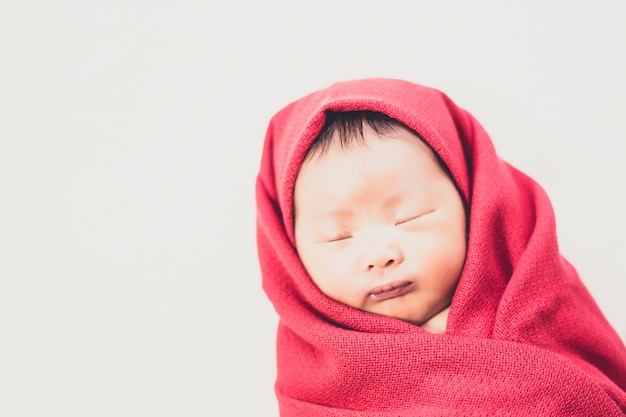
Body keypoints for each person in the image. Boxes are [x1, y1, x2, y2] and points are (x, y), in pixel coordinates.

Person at [256, 78, 626, 416]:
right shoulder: (311, 386)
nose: (380, 256)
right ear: (291, 256)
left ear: (475, 206)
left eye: (409, 217)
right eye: (338, 236)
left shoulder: (543, 304)